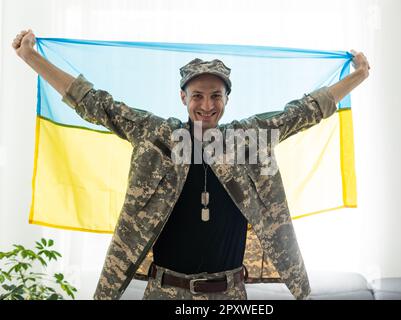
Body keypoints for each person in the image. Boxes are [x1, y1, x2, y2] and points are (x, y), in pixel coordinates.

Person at [12, 29, 370, 300]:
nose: (207, 105)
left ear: (227, 99)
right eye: (197, 95)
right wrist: (31, 58)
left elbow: (304, 111)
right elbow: (95, 103)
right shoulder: (156, 135)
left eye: (216, 95)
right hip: (164, 292)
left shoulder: (248, 139)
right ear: (183, 97)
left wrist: (359, 75)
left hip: (229, 296)